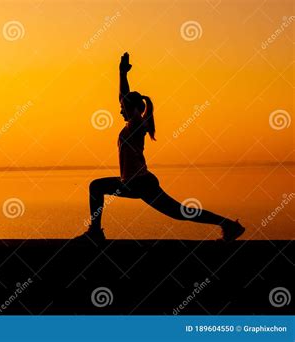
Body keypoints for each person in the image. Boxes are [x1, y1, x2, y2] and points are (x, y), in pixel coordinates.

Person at [75, 52, 245, 243]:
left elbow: (126, 100)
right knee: (98, 187)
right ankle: (95, 232)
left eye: (123, 108)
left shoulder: (136, 124)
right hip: (133, 181)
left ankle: (229, 225)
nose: (119, 110)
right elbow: (124, 97)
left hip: (139, 183)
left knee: (179, 212)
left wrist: (124, 80)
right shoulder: (135, 122)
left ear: (132, 109)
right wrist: (122, 74)